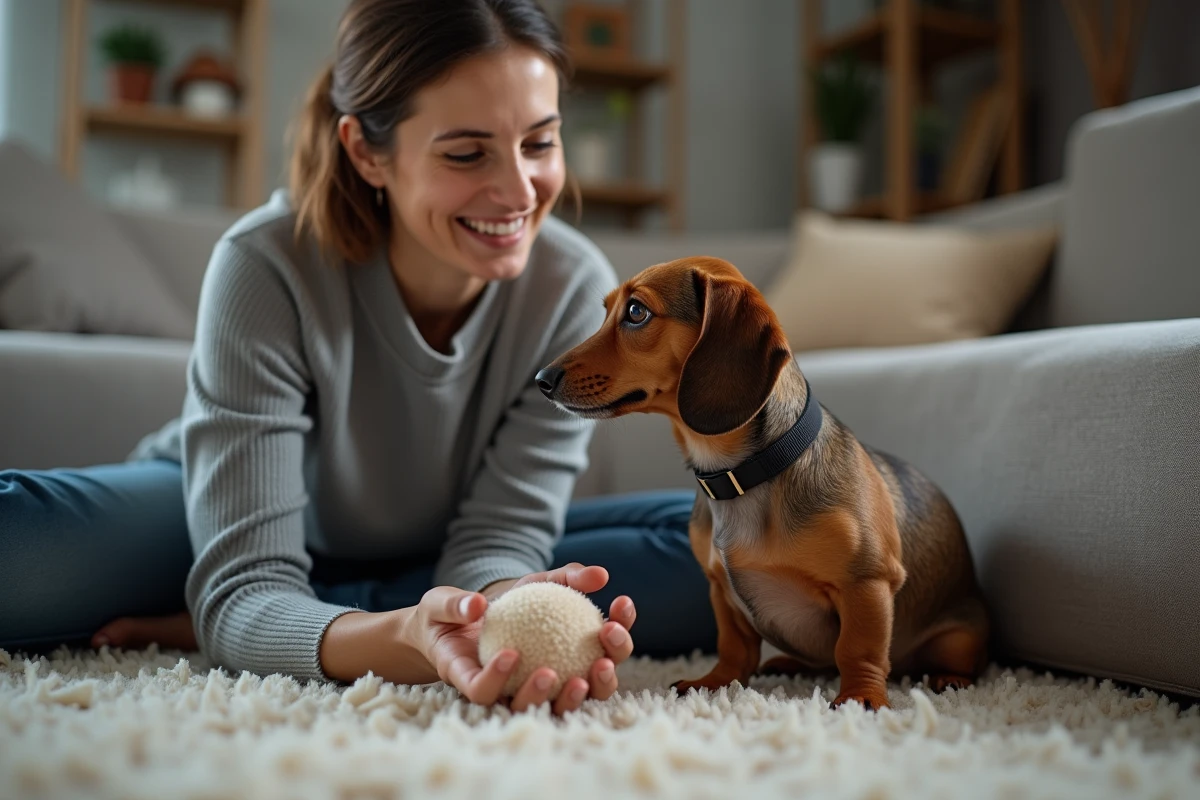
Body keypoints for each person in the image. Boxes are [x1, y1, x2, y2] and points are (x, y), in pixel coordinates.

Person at [0, 0, 716, 714]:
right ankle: (329, 613)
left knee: (728, 556)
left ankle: (316, 614)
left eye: (540, 142)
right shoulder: (266, 264)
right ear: (367, 151)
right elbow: (246, 581)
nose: (518, 191)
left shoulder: (573, 293)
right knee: (21, 550)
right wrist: (400, 633)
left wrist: (496, 608)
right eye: (467, 153)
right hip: (222, 513)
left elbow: (501, 533)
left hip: (441, 538)